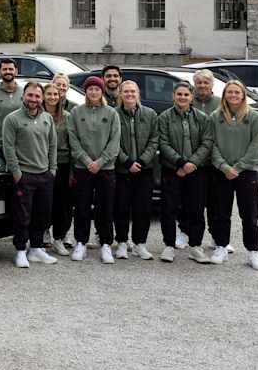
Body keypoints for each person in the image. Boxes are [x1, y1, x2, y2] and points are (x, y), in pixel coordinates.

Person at [209, 80, 258, 270]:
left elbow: (256, 147)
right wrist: (225, 167)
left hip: (246, 172)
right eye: (230, 92)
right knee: (221, 213)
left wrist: (238, 168)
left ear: (243, 95)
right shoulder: (215, 117)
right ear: (225, 95)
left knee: (249, 214)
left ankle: (253, 252)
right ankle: (221, 247)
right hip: (222, 172)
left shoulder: (254, 117)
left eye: (237, 92)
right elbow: (211, 144)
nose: (233, 95)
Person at [2, 82, 59, 268]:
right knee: (22, 216)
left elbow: (52, 145)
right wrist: (17, 173)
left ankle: (36, 248)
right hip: (24, 175)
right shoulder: (12, 119)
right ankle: (20, 250)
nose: (33, 99)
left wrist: (52, 169)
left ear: (41, 98)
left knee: (42, 215)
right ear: (23, 96)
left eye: (37, 96)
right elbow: (8, 148)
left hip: (44, 175)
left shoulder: (47, 118)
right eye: (30, 95)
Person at [157, 81, 215, 263]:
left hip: (196, 170)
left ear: (191, 97)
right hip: (172, 169)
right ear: (173, 96)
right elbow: (163, 143)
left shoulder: (202, 118)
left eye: (186, 94)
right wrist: (181, 163)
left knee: (196, 209)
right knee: (169, 209)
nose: (182, 97)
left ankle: (195, 246)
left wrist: (192, 163)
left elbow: (207, 142)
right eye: (179, 94)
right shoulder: (164, 117)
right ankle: (169, 246)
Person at [67, 76, 121, 263]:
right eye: (90, 89)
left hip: (106, 168)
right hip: (83, 168)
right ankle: (81, 242)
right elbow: (73, 139)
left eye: (97, 89)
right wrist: (86, 160)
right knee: (81, 206)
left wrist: (101, 162)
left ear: (102, 91)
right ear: (86, 91)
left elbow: (115, 141)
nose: (93, 92)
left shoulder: (111, 113)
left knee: (105, 207)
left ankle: (105, 244)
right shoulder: (76, 112)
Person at [114, 81, 158, 260]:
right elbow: (112, 141)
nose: (129, 94)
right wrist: (127, 162)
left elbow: (154, 140)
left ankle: (140, 244)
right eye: (126, 91)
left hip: (144, 170)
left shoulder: (150, 114)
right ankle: (122, 242)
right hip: (122, 170)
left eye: (133, 91)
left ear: (138, 94)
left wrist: (141, 161)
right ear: (120, 94)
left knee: (143, 209)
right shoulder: (114, 114)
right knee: (121, 208)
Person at [192, 68, 225, 252]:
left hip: (215, 161)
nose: (202, 85)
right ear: (194, 84)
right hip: (195, 160)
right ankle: (185, 232)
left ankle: (216, 237)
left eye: (206, 82)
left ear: (212, 84)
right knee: (193, 201)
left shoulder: (221, 103)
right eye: (199, 82)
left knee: (216, 202)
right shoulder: (189, 101)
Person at [41, 84, 74, 256]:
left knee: (62, 204)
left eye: (55, 94)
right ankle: (43, 232)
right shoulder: (37, 115)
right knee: (44, 202)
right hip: (41, 163)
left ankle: (59, 238)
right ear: (43, 96)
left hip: (62, 163)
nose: (53, 97)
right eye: (49, 94)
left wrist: (72, 170)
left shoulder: (67, 117)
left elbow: (72, 142)